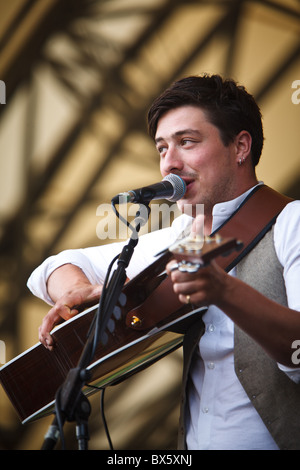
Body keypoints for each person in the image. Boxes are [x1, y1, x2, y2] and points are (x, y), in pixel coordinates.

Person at [27, 74, 300, 450]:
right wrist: (75, 288)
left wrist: (225, 291)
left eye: (186, 142)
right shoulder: (179, 238)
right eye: (161, 149)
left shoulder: (293, 222)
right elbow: (53, 267)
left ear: (240, 147)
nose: (169, 163)